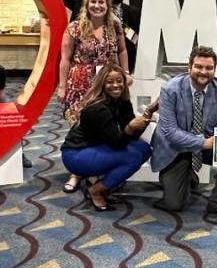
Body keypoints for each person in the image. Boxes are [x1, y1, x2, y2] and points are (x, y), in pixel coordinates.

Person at [151, 45, 217, 220]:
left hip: (206, 141)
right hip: (175, 147)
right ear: (189, 68)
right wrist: (203, 143)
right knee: (174, 205)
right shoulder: (170, 89)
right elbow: (170, 132)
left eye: (209, 68)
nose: (203, 72)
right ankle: (186, 174)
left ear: (214, 70)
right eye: (199, 67)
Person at [58, 0, 129, 192]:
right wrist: (62, 86)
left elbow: (123, 50)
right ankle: (76, 171)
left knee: (103, 124)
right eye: (93, 2)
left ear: (107, 6)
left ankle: (94, 169)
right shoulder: (75, 27)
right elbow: (65, 58)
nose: (97, 6)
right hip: (80, 83)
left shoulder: (115, 26)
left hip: (106, 83)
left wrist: (125, 72)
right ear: (86, 5)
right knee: (80, 126)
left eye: (101, 3)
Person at [60, 64, 156, 210]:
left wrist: (148, 112)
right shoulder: (98, 108)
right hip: (76, 155)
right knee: (133, 157)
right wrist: (130, 127)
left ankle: (104, 184)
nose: (116, 85)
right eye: (110, 82)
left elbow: (131, 138)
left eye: (119, 81)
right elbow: (119, 142)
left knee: (143, 148)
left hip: (97, 146)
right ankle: (96, 191)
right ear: (102, 84)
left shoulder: (122, 102)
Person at [58, 0, 141, 72]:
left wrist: (121, 27)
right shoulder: (83, 1)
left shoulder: (134, 13)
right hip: (81, 72)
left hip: (115, 74)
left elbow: (136, 40)